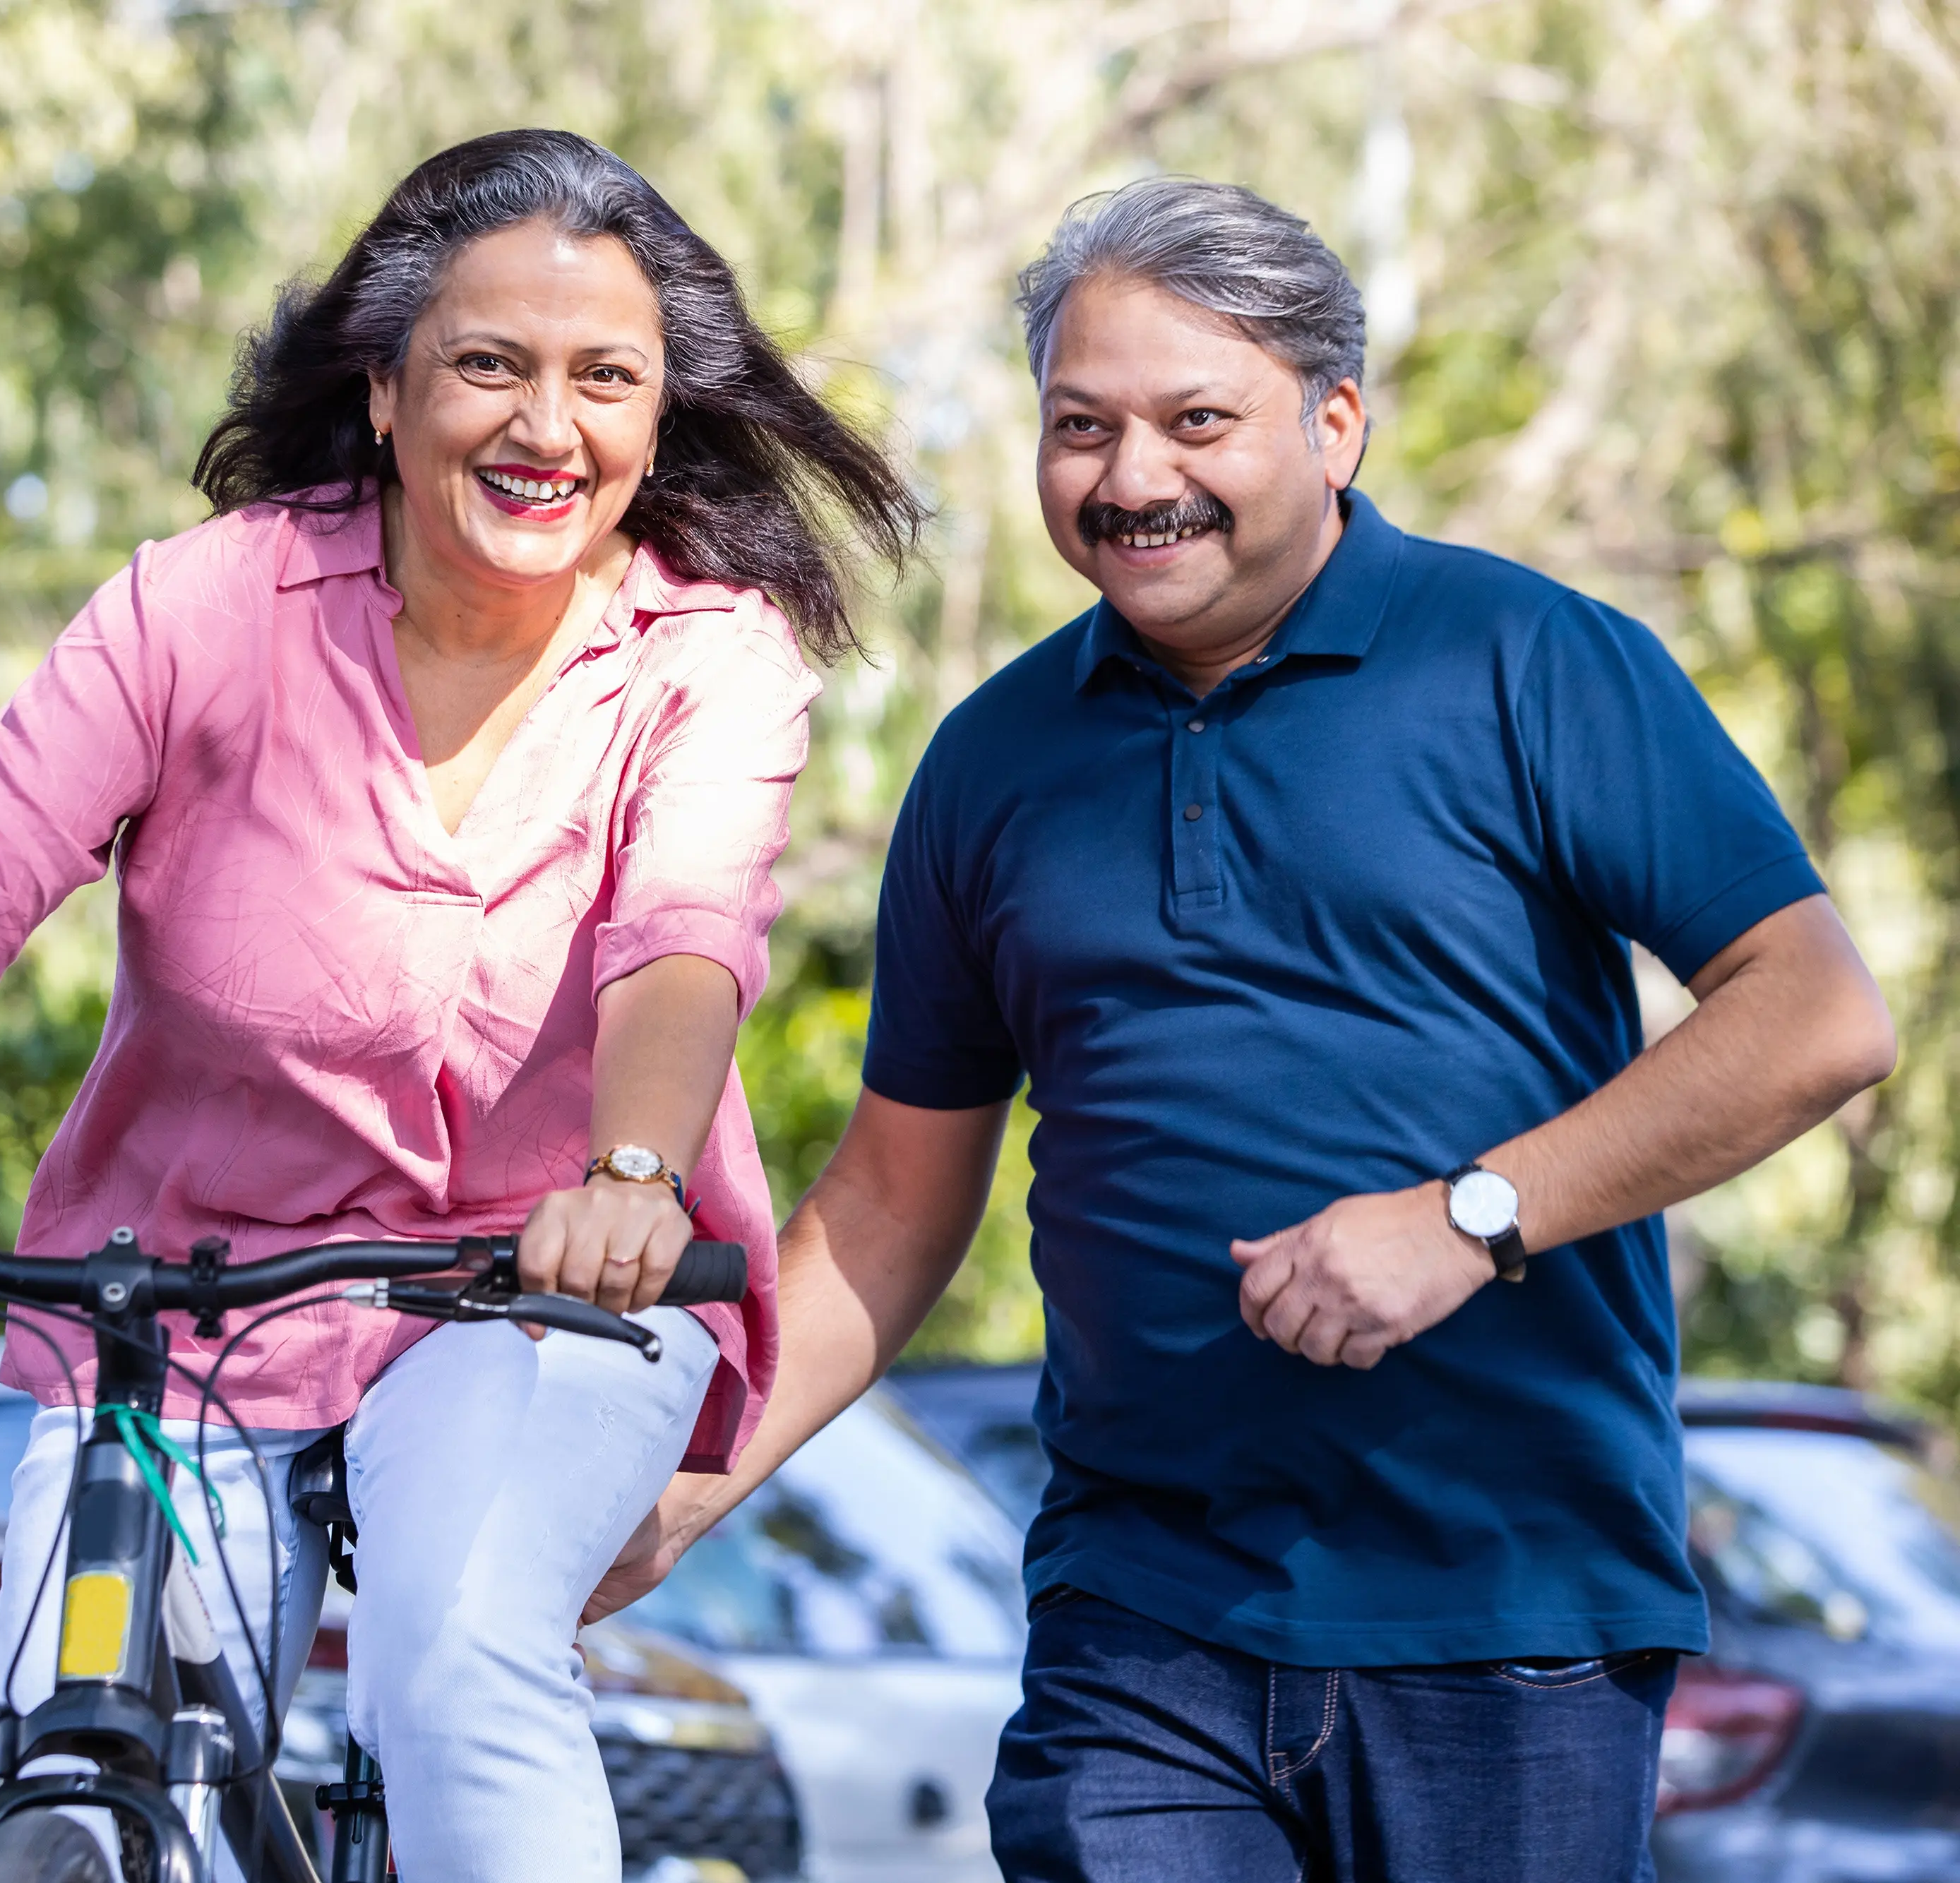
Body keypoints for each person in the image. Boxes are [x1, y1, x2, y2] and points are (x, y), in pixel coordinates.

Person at [0, 128, 919, 1881]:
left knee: (456, 1664)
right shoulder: (205, 606)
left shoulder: (704, 659)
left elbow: (681, 939)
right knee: (70, 1748)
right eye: (485, 366)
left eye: (603, 380)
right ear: (381, 389)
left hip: (546, 1288)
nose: (544, 426)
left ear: (656, 421)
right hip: (189, 1299)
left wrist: (634, 1182)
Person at [589, 176, 1897, 1883]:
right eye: (1081, 427)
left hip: (1504, 1611)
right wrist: (702, 1479)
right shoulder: (990, 762)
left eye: (1195, 419)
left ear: (1333, 421)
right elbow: (900, 1201)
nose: (1131, 480)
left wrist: (1465, 1217)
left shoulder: (1529, 660)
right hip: (1142, 1620)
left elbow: (1813, 1013)